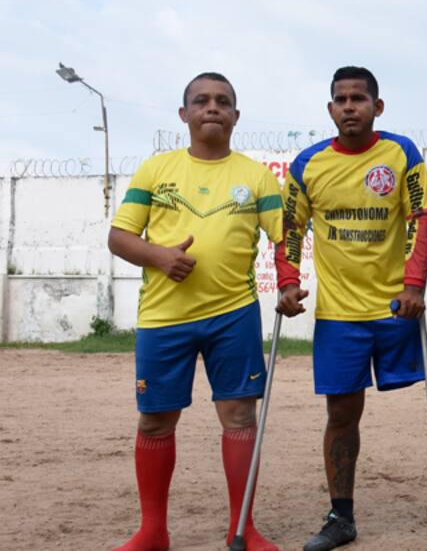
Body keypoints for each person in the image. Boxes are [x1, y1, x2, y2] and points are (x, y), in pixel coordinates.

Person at [109, 72, 284, 551]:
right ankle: (153, 531)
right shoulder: (155, 170)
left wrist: (289, 284)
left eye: (223, 101)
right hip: (164, 318)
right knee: (155, 421)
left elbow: (284, 236)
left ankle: (242, 529)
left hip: (234, 314)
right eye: (202, 100)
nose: (213, 107)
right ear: (184, 114)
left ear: (236, 116)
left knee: (240, 417)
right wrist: (159, 256)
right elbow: (119, 237)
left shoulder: (256, 176)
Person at [275, 66, 427, 551]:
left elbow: (422, 217)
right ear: (330, 109)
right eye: (341, 99)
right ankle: (340, 517)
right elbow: (290, 227)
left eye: (359, 98)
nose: (350, 106)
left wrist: (414, 285)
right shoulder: (309, 164)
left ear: (377, 107)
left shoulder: (401, 153)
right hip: (340, 314)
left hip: (396, 307)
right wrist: (288, 282)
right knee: (342, 413)